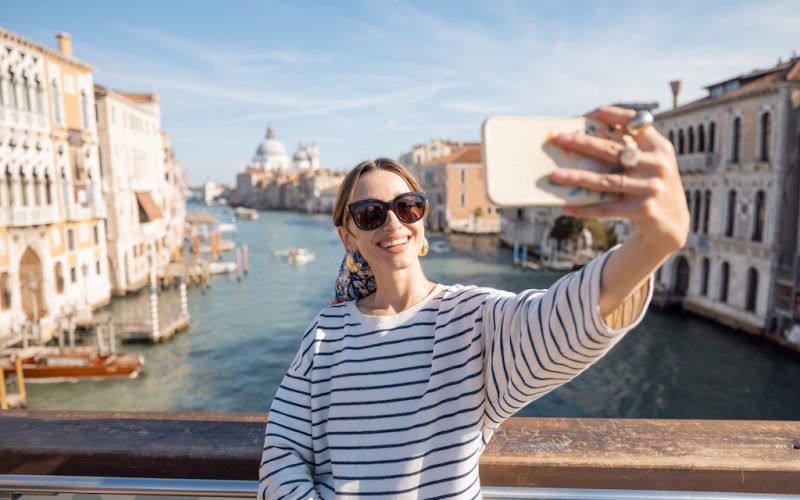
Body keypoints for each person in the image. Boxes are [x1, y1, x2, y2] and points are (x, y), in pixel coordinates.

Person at [258, 106, 690, 499]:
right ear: (348, 237)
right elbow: (282, 454)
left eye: (406, 207)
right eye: (370, 214)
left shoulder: (472, 320)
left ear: (423, 221)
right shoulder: (325, 334)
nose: (393, 222)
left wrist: (652, 246)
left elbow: (560, 322)